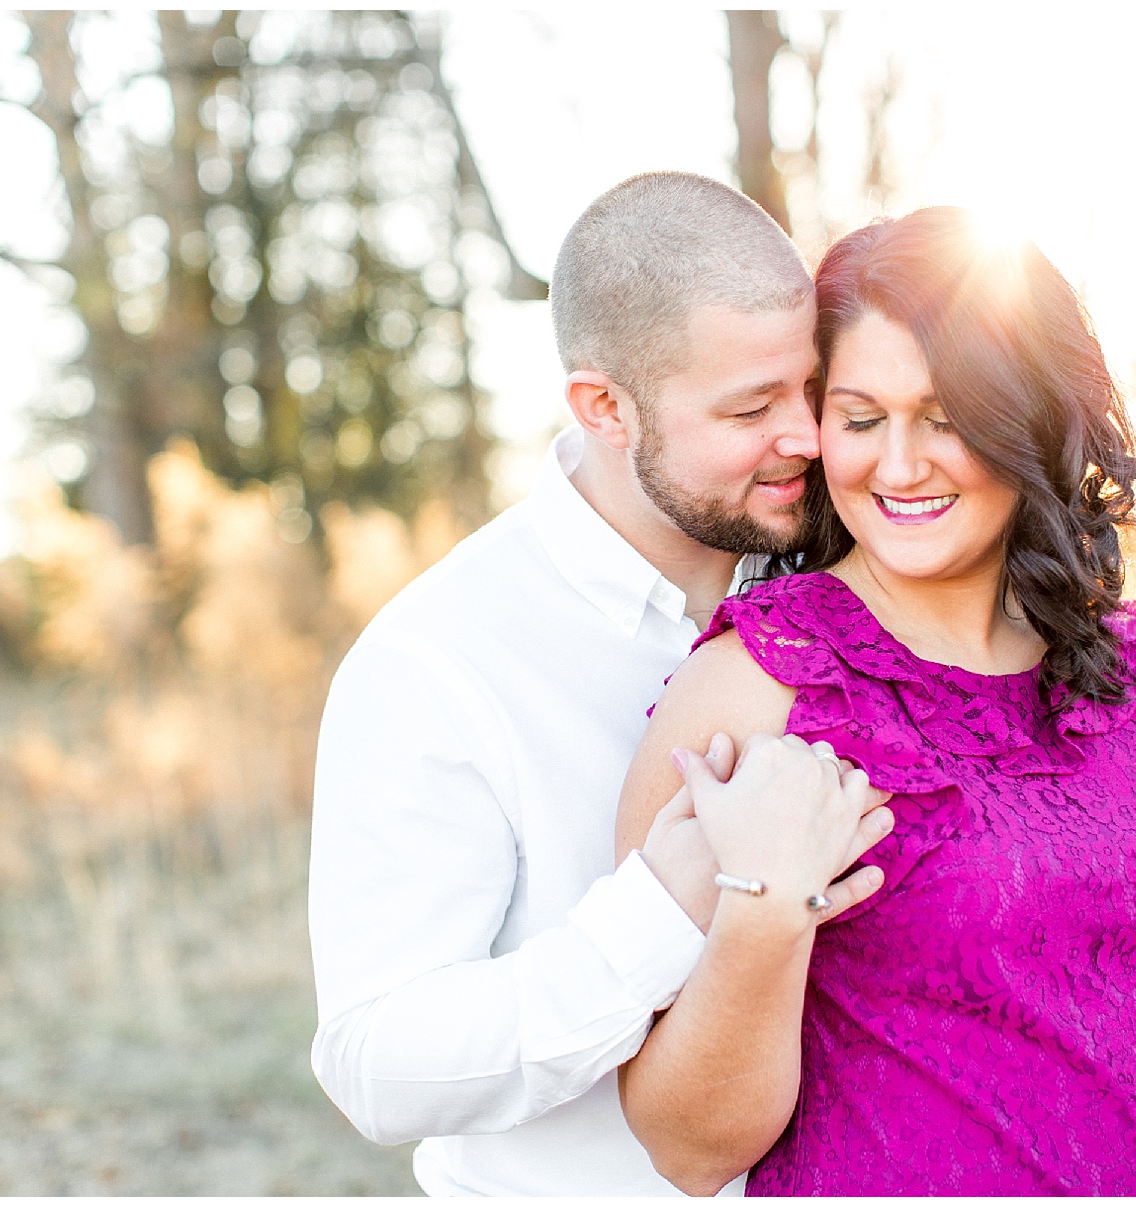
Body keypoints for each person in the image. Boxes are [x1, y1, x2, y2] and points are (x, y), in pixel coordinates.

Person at [614, 208, 1136, 1195]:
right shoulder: (757, 683)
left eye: (950, 418)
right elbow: (686, 1148)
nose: (901, 465)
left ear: (1033, 420)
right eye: (862, 418)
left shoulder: (1126, 686)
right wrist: (767, 910)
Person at [307, 171, 890, 1196]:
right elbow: (375, 1065)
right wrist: (657, 915)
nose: (805, 435)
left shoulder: (853, 581)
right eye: (752, 406)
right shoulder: (439, 660)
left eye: (809, 386)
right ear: (604, 407)